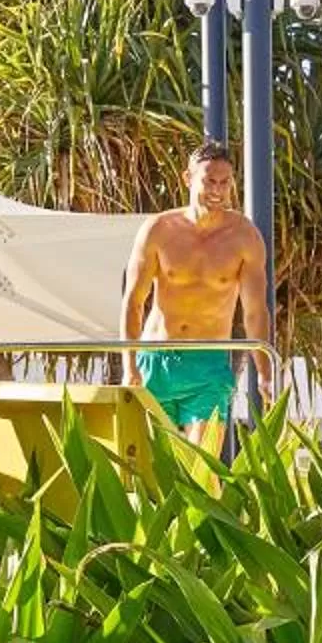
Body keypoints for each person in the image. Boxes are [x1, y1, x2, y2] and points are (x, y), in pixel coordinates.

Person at [120, 140, 272, 444]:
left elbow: (255, 311)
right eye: (209, 181)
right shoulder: (158, 230)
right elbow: (134, 302)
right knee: (151, 467)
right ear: (188, 179)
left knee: (202, 469)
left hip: (208, 364)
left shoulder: (245, 237)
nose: (217, 190)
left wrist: (265, 373)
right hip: (157, 359)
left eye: (225, 182)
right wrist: (130, 366)